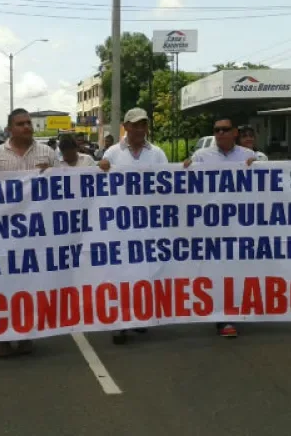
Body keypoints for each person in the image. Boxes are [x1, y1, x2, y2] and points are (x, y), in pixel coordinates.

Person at [0, 108, 57, 358]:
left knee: (30, 284)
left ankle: (26, 333)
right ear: (9, 128)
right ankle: (2, 338)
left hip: (37, 232)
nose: (27, 127)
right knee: (3, 285)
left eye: (29, 123)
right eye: (21, 123)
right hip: (5, 233)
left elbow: (64, 186)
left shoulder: (48, 153)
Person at [98, 107, 168, 345]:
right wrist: (102, 168)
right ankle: (120, 322)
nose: (140, 129)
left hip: (148, 223)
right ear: (126, 127)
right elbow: (100, 184)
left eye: (143, 125)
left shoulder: (157, 154)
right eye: (135, 125)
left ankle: (138, 317)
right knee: (120, 271)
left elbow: (167, 183)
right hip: (119, 224)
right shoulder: (113, 152)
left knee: (145, 271)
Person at [184, 116, 256, 339]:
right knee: (216, 268)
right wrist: (184, 168)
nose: (220, 134)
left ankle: (234, 309)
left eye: (225, 129)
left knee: (237, 267)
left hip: (241, 222)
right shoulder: (201, 156)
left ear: (235, 132)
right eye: (216, 130)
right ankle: (223, 316)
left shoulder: (249, 156)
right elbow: (186, 184)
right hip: (212, 223)